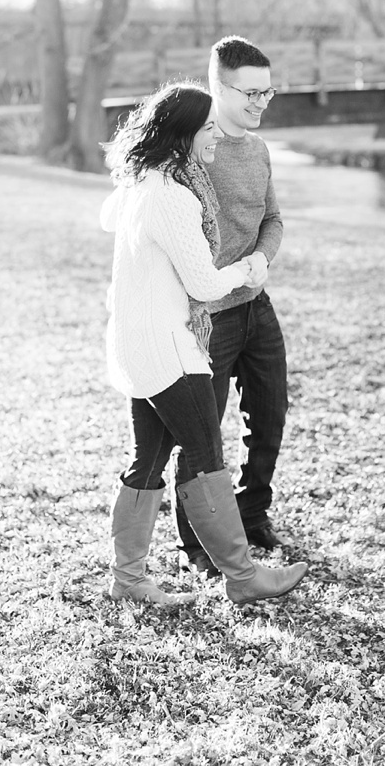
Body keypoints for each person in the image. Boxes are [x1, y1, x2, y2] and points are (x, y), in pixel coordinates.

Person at [100, 81, 307, 607]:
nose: (216, 136)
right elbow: (205, 285)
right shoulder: (172, 198)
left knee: (147, 458)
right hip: (170, 351)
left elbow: (114, 227)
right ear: (185, 134)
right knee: (207, 456)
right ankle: (242, 577)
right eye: (208, 128)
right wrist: (249, 267)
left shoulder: (138, 185)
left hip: (135, 345)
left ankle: (128, 580)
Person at [175, 37, 290, 577]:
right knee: (201, 431)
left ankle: (253, 512)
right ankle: (197, 541)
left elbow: (273, 220)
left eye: (268, 92)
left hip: (254, 303)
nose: (261, 103)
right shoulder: (193, 153)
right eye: (250, 93)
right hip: (208, 314)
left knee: (268, 415)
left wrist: (263, 259)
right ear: (217, 88)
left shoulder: (260, 150)